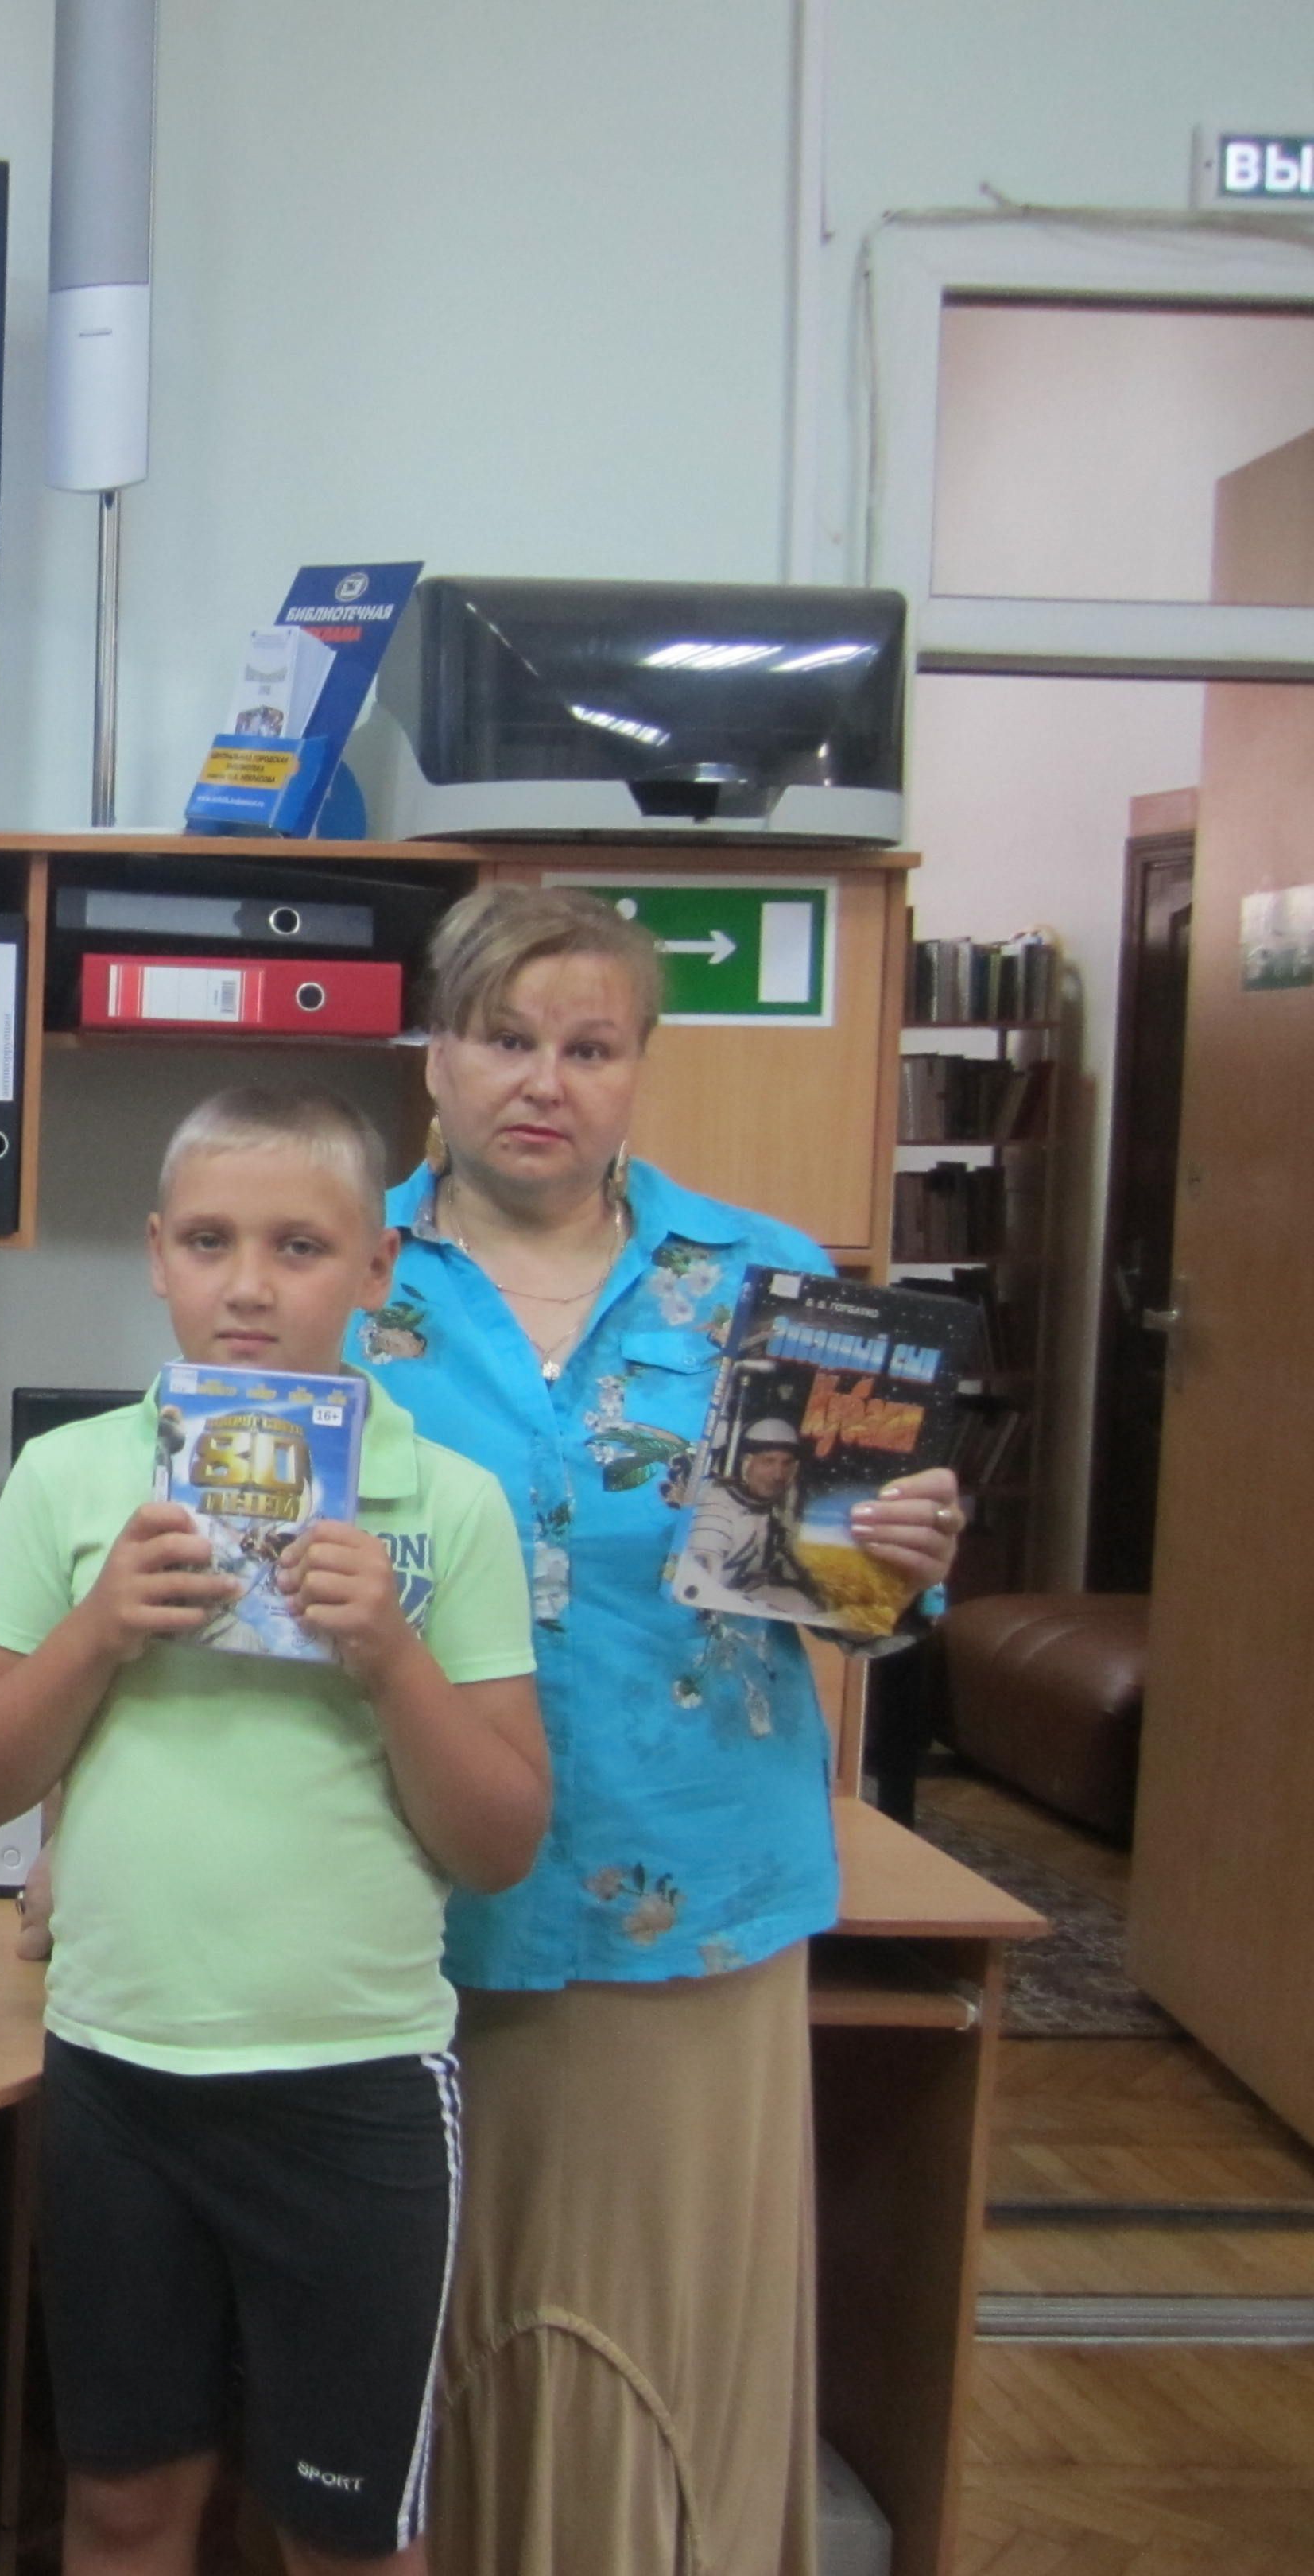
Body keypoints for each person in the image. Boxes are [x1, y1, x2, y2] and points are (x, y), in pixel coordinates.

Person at [347, 884, 962, 2576]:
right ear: (435, 1054)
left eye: (592, 1048)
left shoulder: (765, 1282)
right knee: (410, 2351)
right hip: (404, 1905)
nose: (545, 1082)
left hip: (685, 1906)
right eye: (505, 1038)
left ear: (639, 1069)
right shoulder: (343, 1274)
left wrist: (897, 1565)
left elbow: (848, 1600)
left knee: (666, 2346)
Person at [0, 1085, 547, 2576]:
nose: (250, 1286)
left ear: (376, 1269)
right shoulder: (74, 1479)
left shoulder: (450, 1505)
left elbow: (501, 1841)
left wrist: (390, 1655)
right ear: (157, 1254)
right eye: (210, 1242)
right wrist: (98, 1628)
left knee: (344, 2533)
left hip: (357, 2087)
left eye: (301, 1246)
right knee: (124, 2508)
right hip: (120, 2075)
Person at [674, 1416, 820, 1616]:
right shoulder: (716, 1507)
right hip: (701, 1610)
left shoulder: (774, 1512)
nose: (778, 1475)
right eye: (768, 1462)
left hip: (743, 1595)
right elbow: (698, 1587)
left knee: (804, 1607)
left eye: (786, 1464)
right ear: (745, 1463)